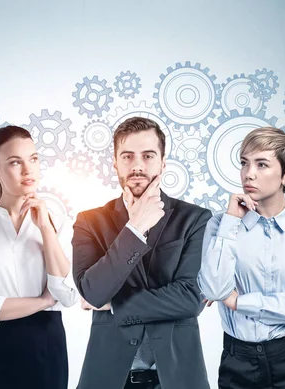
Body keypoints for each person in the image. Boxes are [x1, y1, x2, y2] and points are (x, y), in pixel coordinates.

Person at [73, 117, 211, 389]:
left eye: (148, 156)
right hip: (110, 379)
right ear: (115, 163)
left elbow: (190, 298)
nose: (137, 166)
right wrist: (135, 228)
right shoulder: (90, 222)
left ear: (163, 163)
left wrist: (114, 304)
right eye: (127, 157)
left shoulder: (195, 219)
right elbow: (92, 292)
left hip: (177, 378)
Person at [198, 127, 285, 389]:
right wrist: (231, 222)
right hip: (238, 362)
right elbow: (213, 289)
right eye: (244, 163)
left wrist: (240, 302)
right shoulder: (220, 225)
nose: (249, 173)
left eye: (262, 164)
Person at [0, 125, 78, 389]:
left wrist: (45, 228)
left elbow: (67, 294)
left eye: (33, 159)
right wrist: (43, 301)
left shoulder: (57, 220)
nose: (28, 170)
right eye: (15, 162)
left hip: (47, 346)